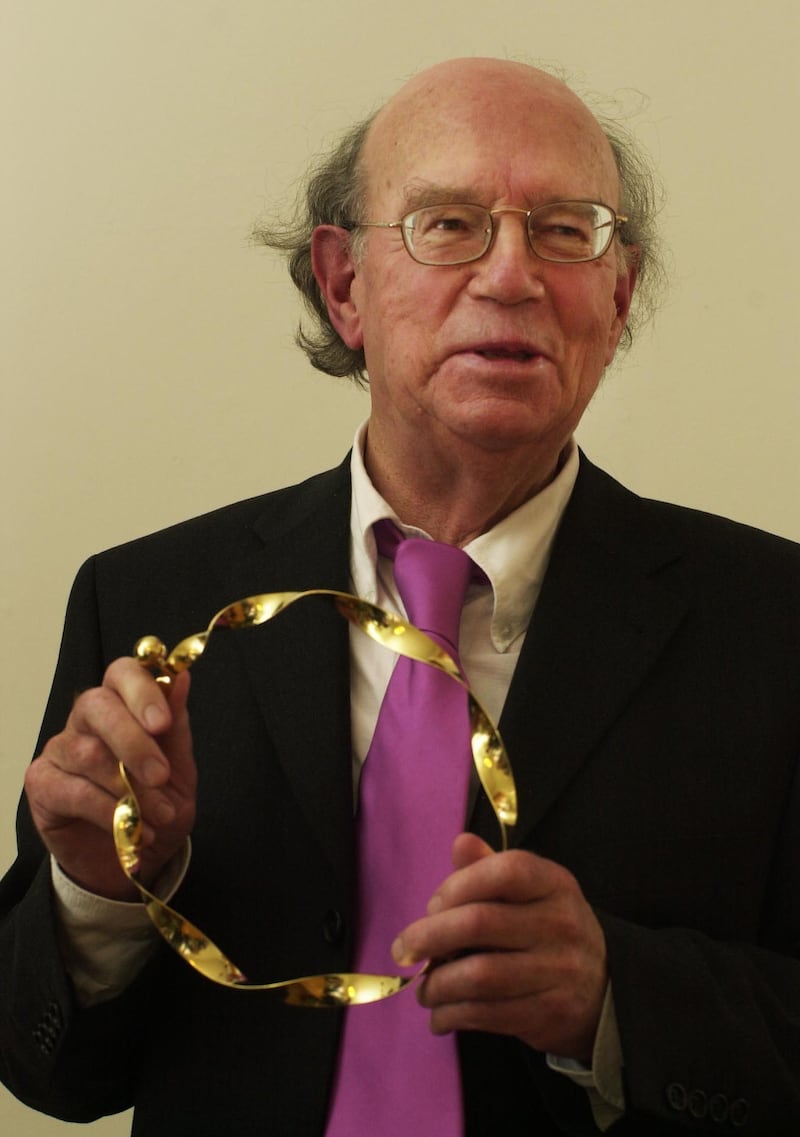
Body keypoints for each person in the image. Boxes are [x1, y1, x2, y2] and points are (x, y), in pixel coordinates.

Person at [1, 56, 800, 1136]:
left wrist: (619, 999)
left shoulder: (773, 621)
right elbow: (53, 1073)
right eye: (447, 224)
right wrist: (97, 891)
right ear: (342, 287)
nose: (511, 274)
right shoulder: (146, 597)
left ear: (615, 296)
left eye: (566, 230)